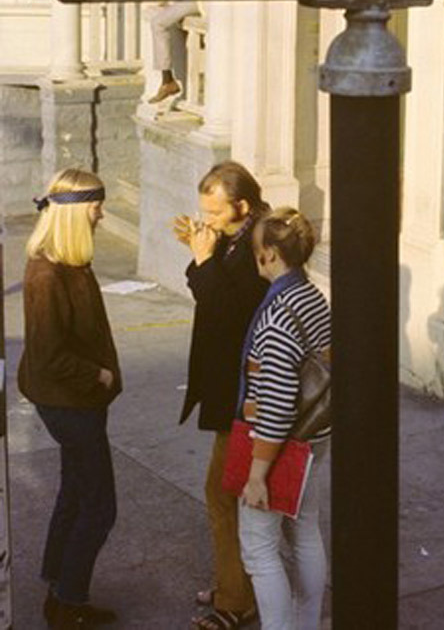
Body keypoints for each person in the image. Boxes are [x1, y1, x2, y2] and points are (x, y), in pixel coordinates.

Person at [18, 168, 121, 630]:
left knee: (76, 491)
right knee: (99, 505)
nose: (101, 215)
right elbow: (48, 355)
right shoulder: (48, 274)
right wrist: (97, 374)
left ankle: (57, 587)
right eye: (96, 207)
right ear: (77, 212)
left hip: (75, 401)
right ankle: (68, 602)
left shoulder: (66, 262)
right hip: (70, 403)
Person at [174, 162, 269, 630]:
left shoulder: (259, 246)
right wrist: (200, 255)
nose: (206, 219)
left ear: (242, 207)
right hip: (230, 390)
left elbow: (231, 311)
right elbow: (210, 295)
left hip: (243, 395)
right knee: (228, 494)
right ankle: (237, 582)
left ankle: (235, 599)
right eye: (203, 211)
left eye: (214, 211)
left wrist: (205, 260)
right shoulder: (236, 235)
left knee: (222, 494)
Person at [238, 207, 331, 630]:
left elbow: (275, 404)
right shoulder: (313, 296)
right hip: (314, 437)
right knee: (305, 530)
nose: (253, 256)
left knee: (259, 549)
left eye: (256, 249)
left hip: (282, 445)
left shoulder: (276, 318)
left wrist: (258, 474)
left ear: (271, 255)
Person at [147, 0, 201, 103]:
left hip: (200, 1)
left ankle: (167, 81)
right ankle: (168, 81)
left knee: (158, 23)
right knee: (159, 15)